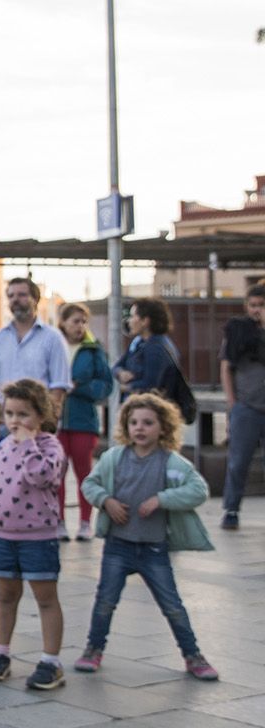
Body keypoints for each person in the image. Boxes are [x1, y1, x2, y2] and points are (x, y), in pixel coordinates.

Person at [76, 393, 219, 680]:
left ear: (163, 427)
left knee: (172, 606)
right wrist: (106, 500)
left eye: (148, 423)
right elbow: (89, 484)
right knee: (105, 601)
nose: (140, 428)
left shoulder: (172, 462)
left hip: (154, 549)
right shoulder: (114, 457)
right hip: (118, 546)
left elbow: (199, 490)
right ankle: (93, 649)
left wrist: (163, 499)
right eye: (134, 422)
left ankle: (193, 655)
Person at [0, 378, 67, 690]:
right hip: (4, 535)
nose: (15, 421)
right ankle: (0, 654)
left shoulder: (49, 446)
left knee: (45, 598)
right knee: (6, 595)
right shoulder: (3, 446)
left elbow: (42, 476)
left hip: (38, 536)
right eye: (9, 414)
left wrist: (28, 443)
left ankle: (51, 661)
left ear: (41, 415)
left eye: (23, 414)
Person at [57, 303, 113, 541]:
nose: (79, 326)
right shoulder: (54, 345)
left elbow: (105, 385)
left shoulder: (93, 350)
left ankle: (84, 522)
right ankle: (58, 521)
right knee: (56, 473)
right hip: (56, 421)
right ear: (63, 323)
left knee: (84, 473)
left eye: (83, 321)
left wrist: (80, 388)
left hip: (83, 420)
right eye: (74, 321)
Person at [0, 276, 70, 410]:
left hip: (37, 420)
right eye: (11, 296)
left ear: (35, 299)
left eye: (22, 295)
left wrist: (50, 419)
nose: (15, 300)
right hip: (2, 420)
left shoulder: (53, 338)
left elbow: (59, 385)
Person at [219, 284, 265, 531]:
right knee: (238, 461)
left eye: (262, 306)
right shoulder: (238, 332)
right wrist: (232, 402)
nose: (257, 311)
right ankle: (231, 509)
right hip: (247, 406)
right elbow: (226, 367)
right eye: (253, 305)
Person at [113, 297, 179, 397]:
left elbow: (151, 385)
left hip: (150, 407)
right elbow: (116, 366)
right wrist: (120, 373)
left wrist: (124, 388)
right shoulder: (138, 343)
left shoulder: (157, 347)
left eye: (132, 316)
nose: (129, 321)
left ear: (145, 321)